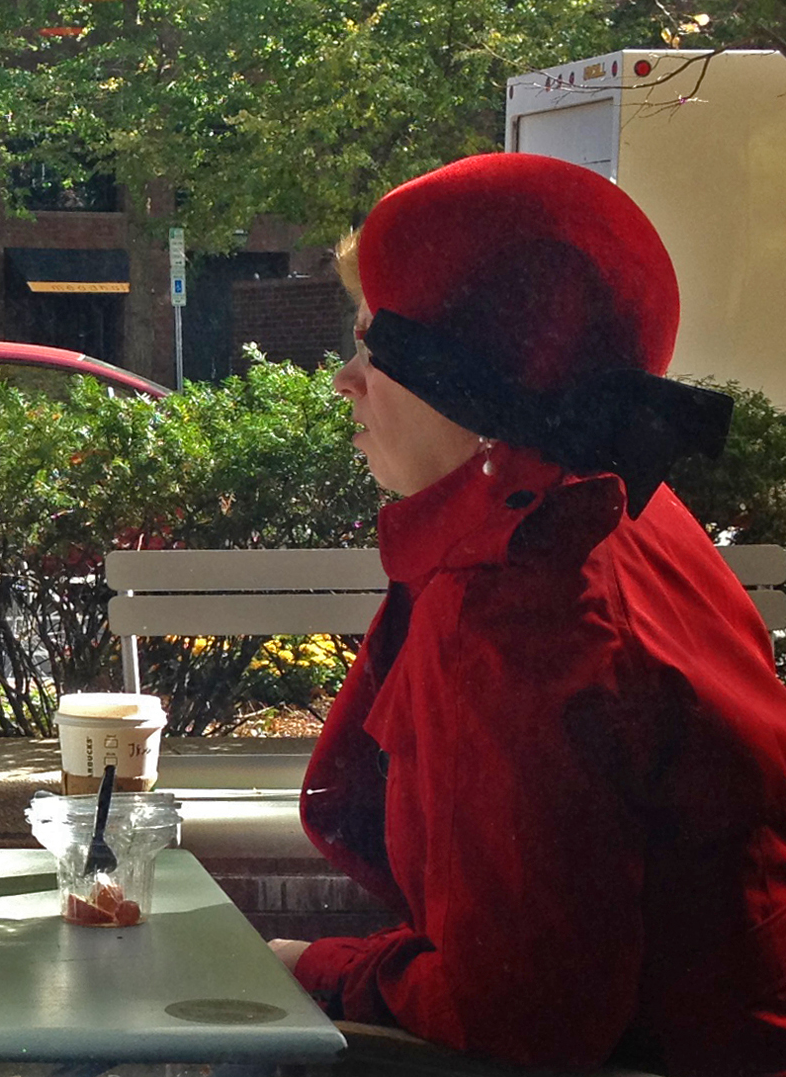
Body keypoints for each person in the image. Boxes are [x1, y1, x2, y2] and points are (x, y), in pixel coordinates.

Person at [268, 151, 786, 1075]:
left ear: (461, 378)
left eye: (369, 345)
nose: (346, 381)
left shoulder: (514, 603)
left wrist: (314, 968)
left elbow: (515, 1010)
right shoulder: (627, 506)